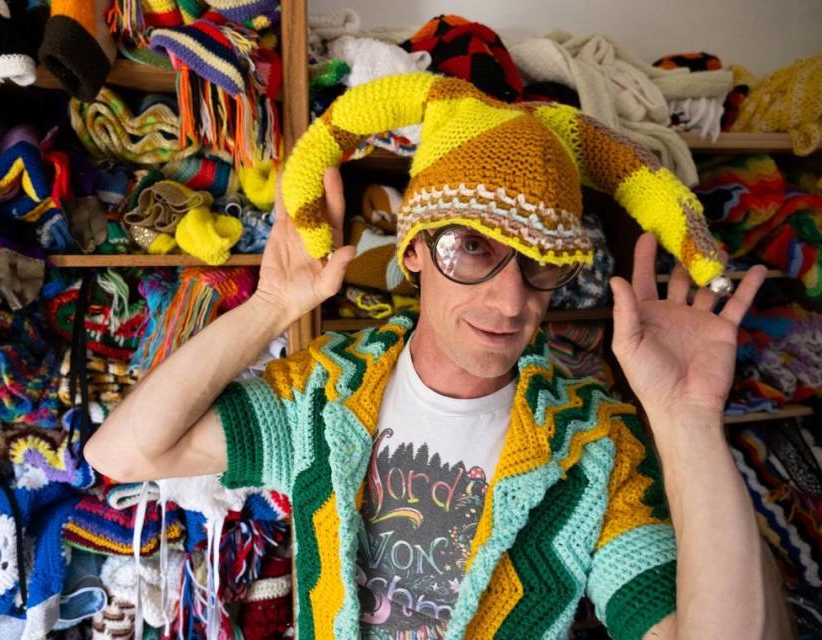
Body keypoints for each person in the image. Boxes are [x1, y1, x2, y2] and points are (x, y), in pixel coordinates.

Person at [86, 72, 792, 639]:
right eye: (471, 248)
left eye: (540, 264)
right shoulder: (327, 392)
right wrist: (270, 307)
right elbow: (125, 453)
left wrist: (689, 420)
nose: (512, 300)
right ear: (415, 250)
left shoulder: (593, 447)